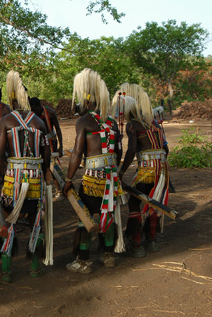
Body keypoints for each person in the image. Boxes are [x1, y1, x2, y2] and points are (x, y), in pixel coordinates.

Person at [0, 70, 50, 284]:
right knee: (35, 221)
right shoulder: (39, 123)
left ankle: (5, 272)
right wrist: (45, 173)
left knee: (10, 220)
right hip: (35, 180)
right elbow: (46, 155)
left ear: (12, 98)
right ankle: (34, 267)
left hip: (13, 179)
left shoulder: (6, 121)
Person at [62, 68, 124, 272]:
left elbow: (77, 153)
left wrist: (68, 179)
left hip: (92, 181)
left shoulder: (84, 121)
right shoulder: (112, 123)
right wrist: (116, 173)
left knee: (85, 218)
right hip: (111, 180)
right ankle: (108, 256)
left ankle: (83, 261)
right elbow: (119, 152)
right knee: (108, 212)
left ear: (87, 100)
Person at [118, 84, 170, 257]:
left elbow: (132, 150)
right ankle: (152, 240)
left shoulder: (133, 124)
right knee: (154, 203)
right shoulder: (155, 123)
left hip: (147, 172)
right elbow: (166, 149)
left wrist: (121, 171)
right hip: (161, 172)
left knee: (134, 204)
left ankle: (137, 243)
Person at [29, 97, 64, 198]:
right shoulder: (31, 115)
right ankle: (41, 192)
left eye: (35, 110)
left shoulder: (50, 113)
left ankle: (59, 190)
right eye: (32, 110)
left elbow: (58, 129)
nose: (34, 112)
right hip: (38, 142)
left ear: (40, 106)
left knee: (52, 165)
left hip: (50, 141)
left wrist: (61, 147)